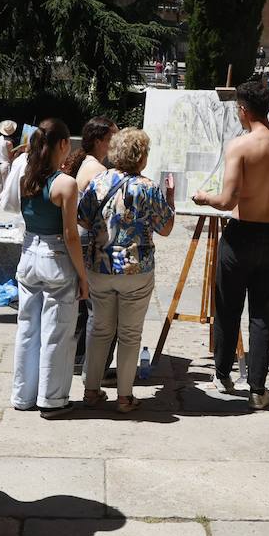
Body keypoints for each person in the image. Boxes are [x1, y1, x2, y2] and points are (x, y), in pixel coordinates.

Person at [192, 79, 269, 409]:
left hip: (241, 233)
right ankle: (258, 389)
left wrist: (203, 197)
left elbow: (226, 199)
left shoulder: (240, 146)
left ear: (243, 110)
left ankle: (223, 374)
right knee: (263, 313)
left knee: (228, 308)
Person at [77, 128, 175, 412]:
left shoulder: (98, 181)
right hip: (136, 269)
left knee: (99, 330)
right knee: (130, 334)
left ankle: (91, 392)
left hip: (100, 266)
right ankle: (124, 397)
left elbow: (82, 219)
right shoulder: (148, 187)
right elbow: (166, 228)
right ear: (141, 157)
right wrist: (169, 199)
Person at [11, 119, 89, 418]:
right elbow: (71, 235)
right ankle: (52, 399)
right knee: (57, 332)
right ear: (63, 145)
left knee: (28, 329)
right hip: (56, 255)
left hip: (29, 252)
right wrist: (82, 277)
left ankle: (23, 394)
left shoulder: (26, 177)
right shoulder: (66, 184)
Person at [64, 116, 116, 374]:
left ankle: (78, 358)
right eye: (112, 138)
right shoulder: (97, 170)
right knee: (92, 304)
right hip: (88, 240)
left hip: (82, 238)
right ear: (99, 141)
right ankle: (88, 363)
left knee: (84, 304)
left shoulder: (87, 162)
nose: (115, 143)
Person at [0, 119, 18, 193]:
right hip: (6, 166)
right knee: (6, 189)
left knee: (1, 188)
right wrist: (18, 151)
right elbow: (11, 158)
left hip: (0, 165)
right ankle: (3, 204)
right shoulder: (9, 143)